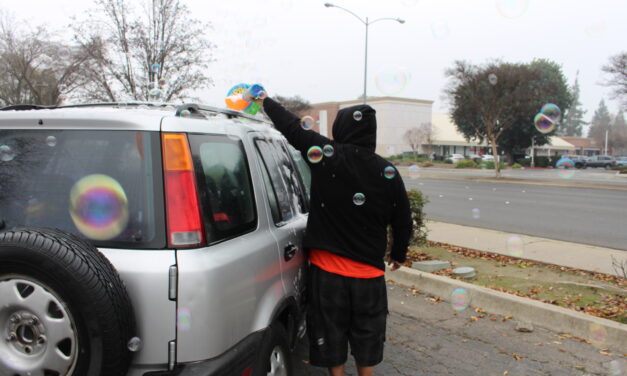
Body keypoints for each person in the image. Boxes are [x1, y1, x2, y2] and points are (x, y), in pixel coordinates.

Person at [248, 90, 412, 376]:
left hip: (328, 274)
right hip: (369, 278)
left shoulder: (327, 155)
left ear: (343, 128)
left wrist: (266, 101)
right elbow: (402, 219)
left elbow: (291, 126)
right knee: (367, 334)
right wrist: (398, 254)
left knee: (330, 332)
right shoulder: (388, 171)